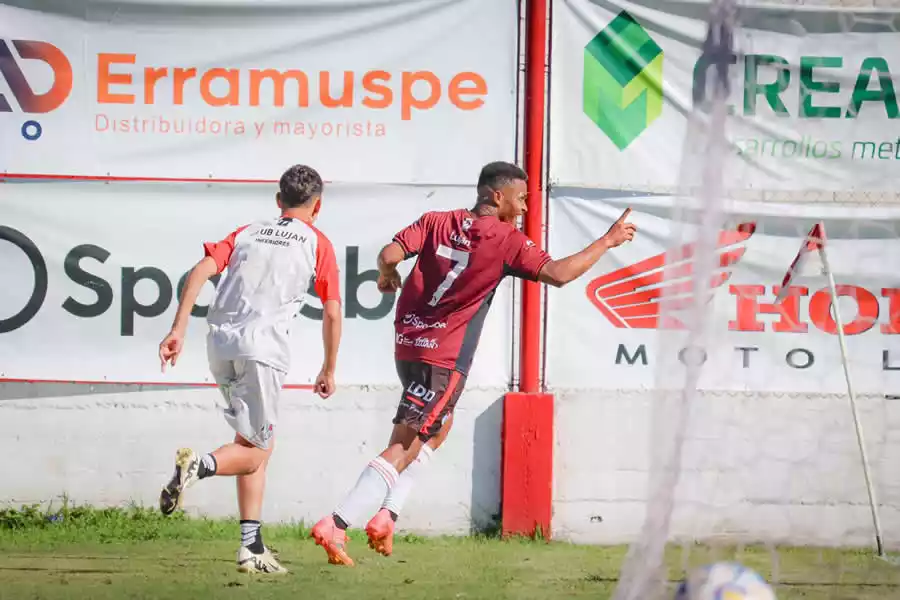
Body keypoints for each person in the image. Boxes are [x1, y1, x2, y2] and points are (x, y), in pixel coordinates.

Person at [310, 160, 636, 565]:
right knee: (405, 443)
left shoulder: (435, 220)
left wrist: (387, 273)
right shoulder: (505, 239)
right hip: (443, 357)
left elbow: (389, 253)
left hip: (408, 344)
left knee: (438, 429)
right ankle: (338, 523)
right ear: (496, 196)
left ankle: (386, 515)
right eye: (521, 200)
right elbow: (559, 273)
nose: (525, 209)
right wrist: (607, 240)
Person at [157, 164, 342, 574]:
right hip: (263, 351)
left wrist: (177, 329)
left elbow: (200, 271)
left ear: (279, 202)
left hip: (220, 345)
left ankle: (250, 547)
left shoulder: (248, 232)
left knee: (253, 443)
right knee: (256, 451)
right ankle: (199, 466)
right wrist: (329, 367)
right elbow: (331, 310)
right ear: (318, 207)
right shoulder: (317, 242)